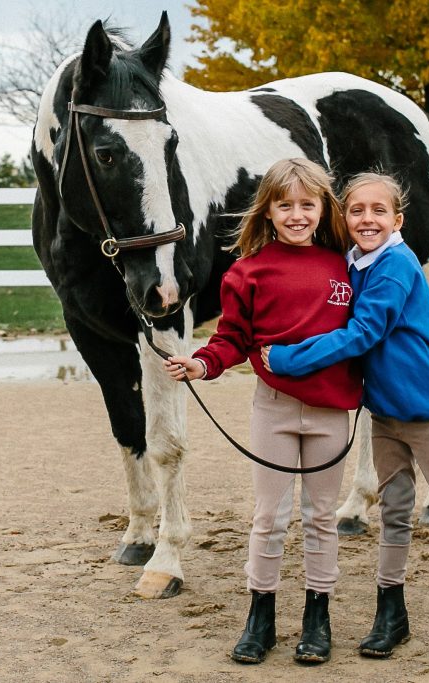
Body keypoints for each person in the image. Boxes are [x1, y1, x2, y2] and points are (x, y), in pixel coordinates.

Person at [262, 172, 429, 664]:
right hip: (386, 413)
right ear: (345, 217)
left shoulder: (395, 265)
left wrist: (288, 359)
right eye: (356, 211)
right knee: (394, 511)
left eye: (379, 211)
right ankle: (391, 613)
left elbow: (363, 333)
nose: (367, 219)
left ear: (397, 220)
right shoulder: (354, 265)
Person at [164, 158, 361, 665]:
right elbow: (233, 338)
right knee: (269, 518)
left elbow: (371, 330)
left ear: (323, 209)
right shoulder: (246, 272)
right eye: (285, 205)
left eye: (307, 205)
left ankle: (318, 616)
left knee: (320, 518)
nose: (297, 215)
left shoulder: (346, 266)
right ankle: (261, 616)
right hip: (272, 408)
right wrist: (204, 364)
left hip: (333, 412)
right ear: (268, 211)